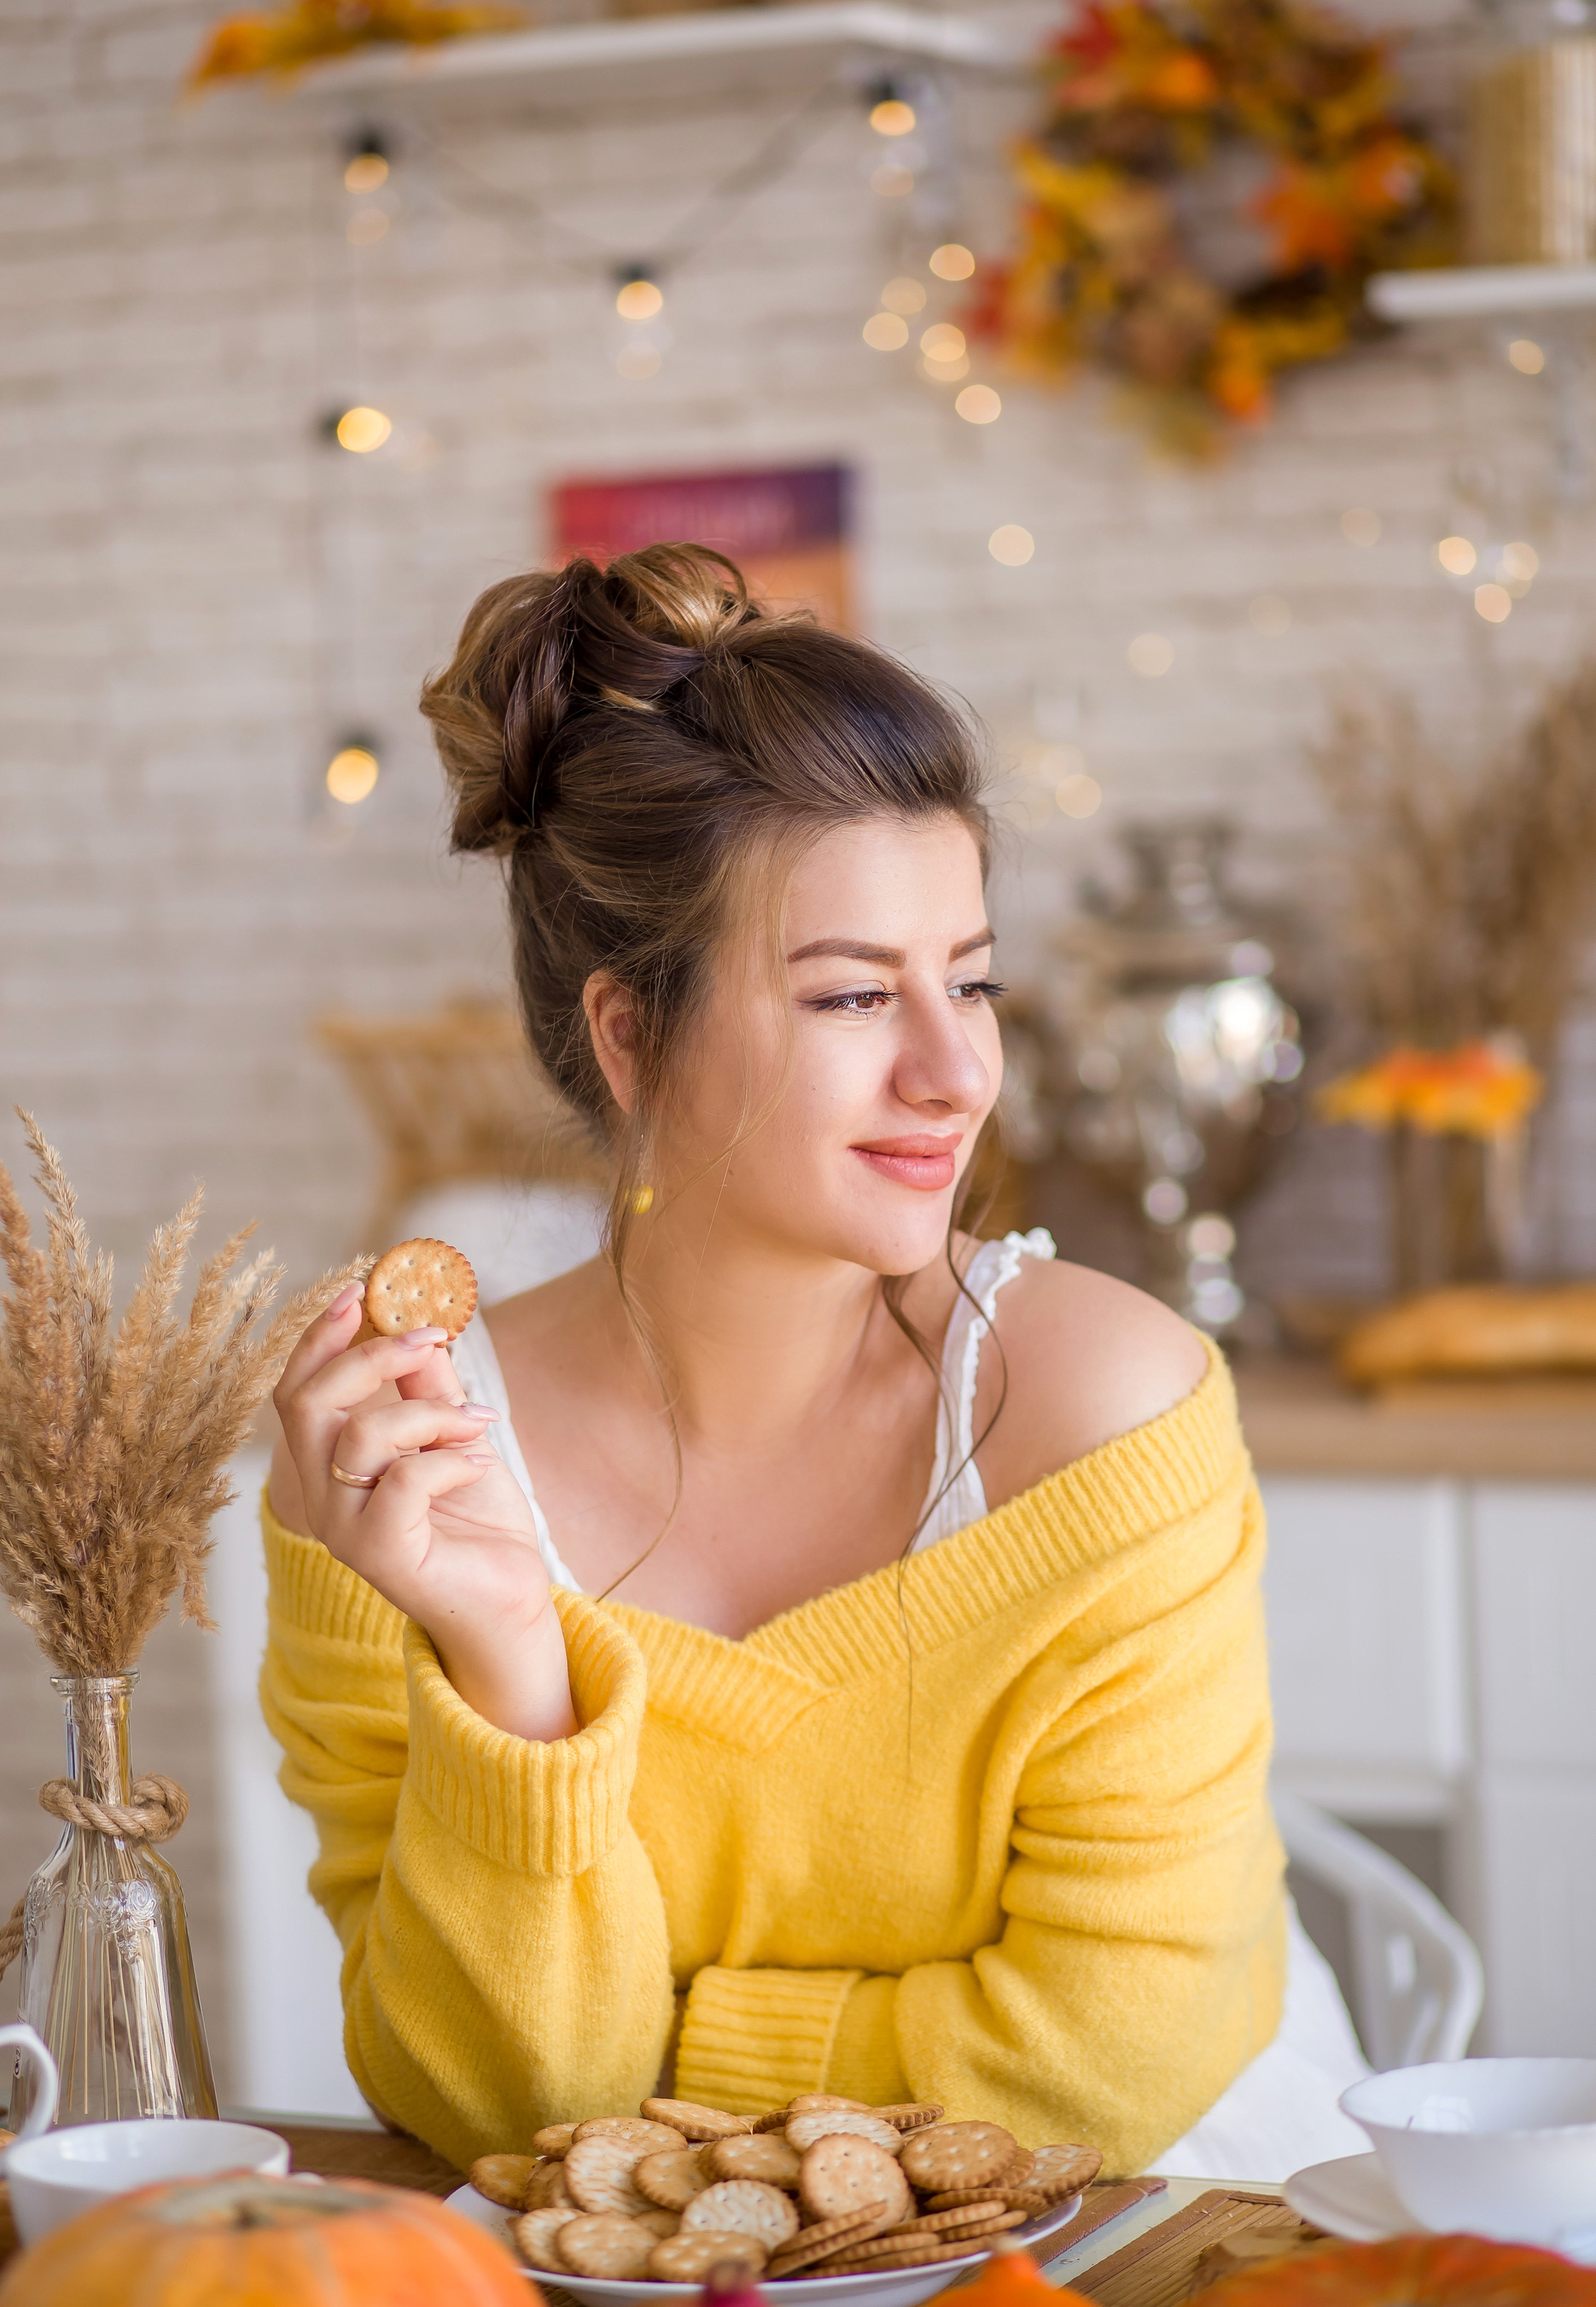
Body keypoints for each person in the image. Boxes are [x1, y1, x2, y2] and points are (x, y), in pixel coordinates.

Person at [264, 543, 1365, 2182]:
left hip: (1167, 2226)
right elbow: (490, 2103)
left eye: (973, 979)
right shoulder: (400, 1471)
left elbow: (1100, 2066)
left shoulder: (1107, 1414)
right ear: (632, 1034)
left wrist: (666, 2061)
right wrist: (508, 1666)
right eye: (856, 994)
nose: (956, 1071)